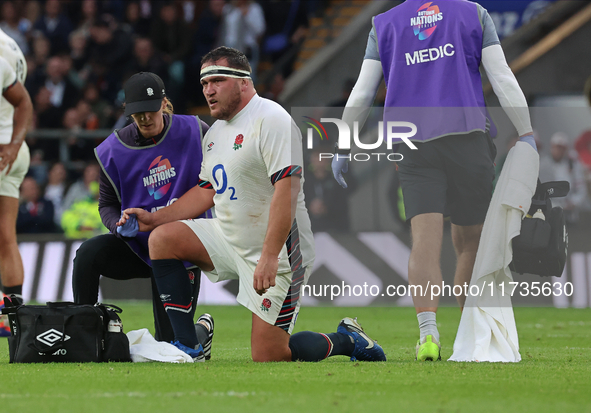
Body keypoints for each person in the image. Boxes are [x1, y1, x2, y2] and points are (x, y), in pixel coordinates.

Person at [119, 47, 386, 363]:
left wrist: (270, 256)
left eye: (217, 80)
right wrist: (153, 219)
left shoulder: (271, 119)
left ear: (243, 81)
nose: (208, 90)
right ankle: (189, 345)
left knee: (269, 355)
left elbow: (286, 192)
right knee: (162, 239)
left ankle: (346, 339)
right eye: (204, 83)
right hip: (229, 237)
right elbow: (206, 191)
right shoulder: (215, 133)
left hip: (279, 252)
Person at [331, 0, 536, 361]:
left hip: (413, 144)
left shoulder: (384, 24)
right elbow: (501, 76)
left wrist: (344, 145)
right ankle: (472, 336)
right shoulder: (473, 13)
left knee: (424, 240)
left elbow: (362, 92)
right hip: (468, 139)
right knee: (469, 243)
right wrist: (526, 131)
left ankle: (428, 334)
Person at [72, 72, 214, 359]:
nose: (145, 119)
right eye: (138, 114)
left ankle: (202, 332)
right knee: (87, 254)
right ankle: (83, 335)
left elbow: (217, 181)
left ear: (164, 103)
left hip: (181, 250)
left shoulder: (196, 130)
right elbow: (107, 205)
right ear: (128, 112)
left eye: (150, 111)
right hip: (138, 246)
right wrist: (117, 225)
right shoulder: (111, 151)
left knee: (171, 349)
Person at [0, 27, 33, 335]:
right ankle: (13, 315)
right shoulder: (11, 44)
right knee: (5, 237)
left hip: (3, 144)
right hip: (13, 148)